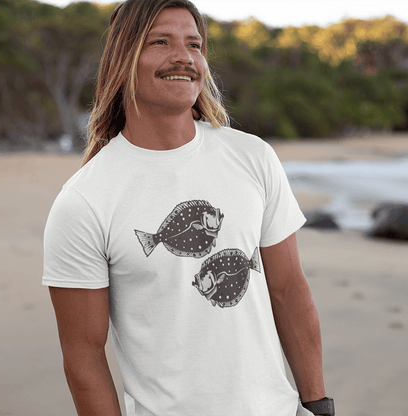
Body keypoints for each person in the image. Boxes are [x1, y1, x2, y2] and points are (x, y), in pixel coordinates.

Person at [43, 1, 334, 415]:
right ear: (124, 57)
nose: (183, 56)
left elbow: (288, 290)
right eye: (160, 41)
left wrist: (319, 405)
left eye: (194, 44)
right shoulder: (84, 201)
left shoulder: (253, 157)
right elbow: (84, 356)